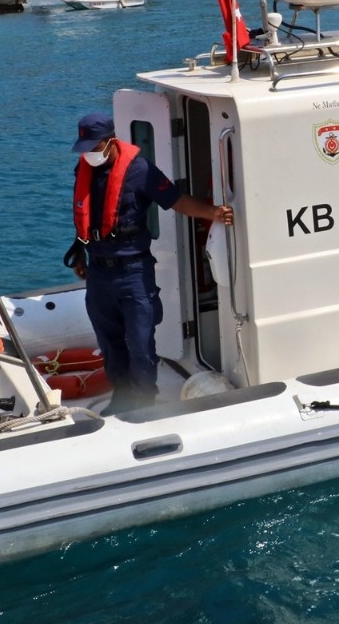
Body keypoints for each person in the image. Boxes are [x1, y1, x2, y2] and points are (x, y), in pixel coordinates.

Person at [67, 112, 233, 412]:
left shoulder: (139, 170)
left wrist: (213, 213)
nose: (89, 153)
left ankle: (144, 403)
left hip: (133, 272)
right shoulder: (83, 171)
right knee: (110, 342)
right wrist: (79, 253)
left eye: (94, 146)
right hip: (99, 274)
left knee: (141, 344)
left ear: (109, 141)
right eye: (85, 148)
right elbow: (84, 216)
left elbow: (176, 199)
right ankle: (122, 396)